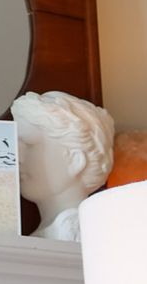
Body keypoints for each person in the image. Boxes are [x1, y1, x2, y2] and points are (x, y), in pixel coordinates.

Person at [12, 90, 115, 241]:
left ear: (75, 160)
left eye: (28, 144)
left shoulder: (79, 231)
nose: (17, 157)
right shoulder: (43, 236)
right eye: (15, 145)